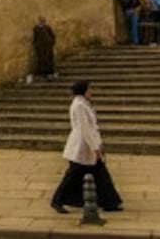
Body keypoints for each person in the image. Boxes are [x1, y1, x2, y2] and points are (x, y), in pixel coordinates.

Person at [50, 80, 123, 213]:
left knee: (99, 174)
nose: (91, 92)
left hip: (86, 146)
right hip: (82, 146)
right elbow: (85, 129)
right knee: (74, 175)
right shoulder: (79, 106)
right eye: (89, 89)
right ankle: (57, 200)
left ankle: (109, 202)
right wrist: (94, 147)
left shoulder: (83, 104)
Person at [32, 16, 57, 81]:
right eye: (41, 20)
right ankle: (42, 74)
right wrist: (36, 45)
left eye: (43, 20)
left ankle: (49, 73)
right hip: (40, 47)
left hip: (47, 47)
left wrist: (51, 42)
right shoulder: (36, 28)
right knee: (41, 60)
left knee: (48, 59)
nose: (42, 21)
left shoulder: (47, 27)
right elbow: (35, 37)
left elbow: (52, 36)